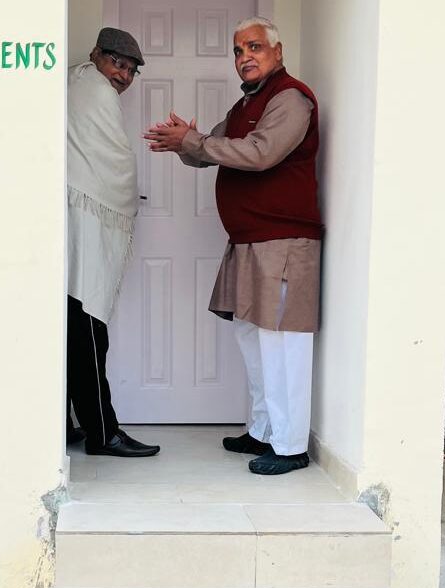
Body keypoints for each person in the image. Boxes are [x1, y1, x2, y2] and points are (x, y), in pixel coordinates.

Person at [144, 17, 321, 475]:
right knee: (253, 339)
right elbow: (210, 148)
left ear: (277, 53)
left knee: (283, 345)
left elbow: (261, 153)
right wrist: (185, 143)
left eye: (255, 47)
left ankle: (290, 446)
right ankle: (263, 431)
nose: (245, 56)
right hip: (247, 241)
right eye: (239, 49)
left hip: (283, 242)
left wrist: (196, 141)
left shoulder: (291, 99)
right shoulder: (248, 103)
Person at [66, 28, 159, 457]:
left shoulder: (75, 79)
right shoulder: (97, 92)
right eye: (117, 63)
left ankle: (64, 426)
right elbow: (113, 164)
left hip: (70, 224)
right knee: (89, 330)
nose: (123, 76)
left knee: (70, 329)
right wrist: (127, 192)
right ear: (96, 55)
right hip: (86, 229)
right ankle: (103, 433)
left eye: (130, 70)